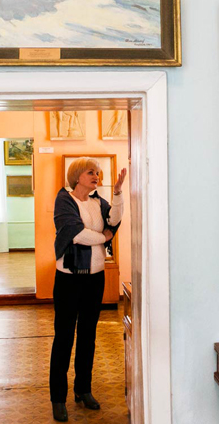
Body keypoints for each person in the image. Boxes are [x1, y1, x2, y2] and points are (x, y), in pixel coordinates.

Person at [49, 157, 127, 422]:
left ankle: (83, 389)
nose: (96, 176)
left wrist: (117, 193)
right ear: (77, 176)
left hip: (95, 277)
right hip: (69, 279)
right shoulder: (64, 200)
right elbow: (75, 233)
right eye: (91, 172)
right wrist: (103, 237)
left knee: (87, 336)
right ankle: (58, 398)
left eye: (98, 173)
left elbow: (114, 219)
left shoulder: (97, 201)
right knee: (64, 338)